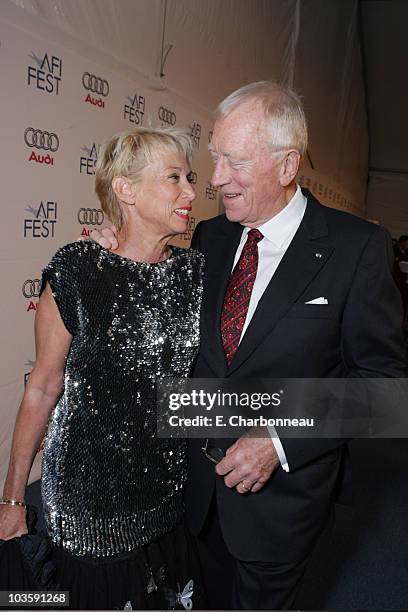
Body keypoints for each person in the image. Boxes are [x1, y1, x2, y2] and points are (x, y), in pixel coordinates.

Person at [88, 81, 407, 610]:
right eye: (214, 159)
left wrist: (279, 439)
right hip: (194, 497)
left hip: (280, 509)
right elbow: (157, 315)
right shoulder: (210, 237)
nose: (215, 180)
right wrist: (110, 249)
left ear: (287, 166)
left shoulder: (356, 249)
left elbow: (385, 390)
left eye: (234, 163)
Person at [0, 127, 205, 609]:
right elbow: (43, 388)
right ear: (125, 189)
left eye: (190, 178)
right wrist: (11, 501)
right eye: (173, 177)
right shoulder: (77, 271)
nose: (192, 192)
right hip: (88, 506)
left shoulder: (197, 271)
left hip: (165, 498)